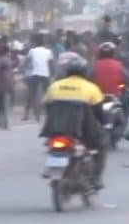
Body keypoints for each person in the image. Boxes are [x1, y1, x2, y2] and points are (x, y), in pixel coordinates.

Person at [43, 57, 106, 189]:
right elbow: (99, 112)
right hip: (82, 130)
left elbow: (46, 105)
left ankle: (51, 168)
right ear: (84, 72)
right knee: (100, 146)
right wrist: (104, 124)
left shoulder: (55, 86)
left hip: (55, 128)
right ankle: (96, 178)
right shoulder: (91, 87)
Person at [24, 33, 54, 122]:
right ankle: (51, 113)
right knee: (49, 94)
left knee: (31, 95)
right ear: (44, 43)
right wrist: (52, 74)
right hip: (45, 75)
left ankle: (26, 114)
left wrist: (26, 67)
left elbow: (26, 62)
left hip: (35, 74)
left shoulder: (32, 51)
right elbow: (51, 64)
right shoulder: (49, 51)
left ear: (35, 42)